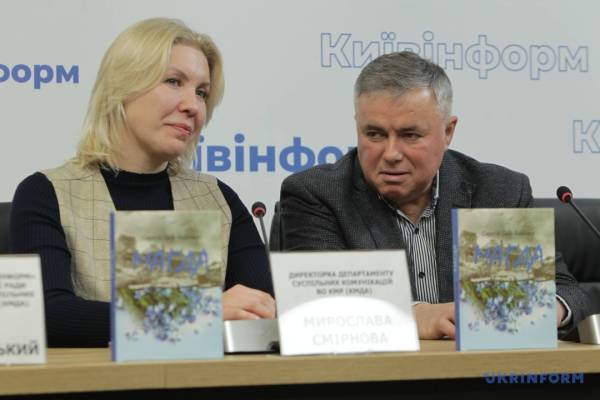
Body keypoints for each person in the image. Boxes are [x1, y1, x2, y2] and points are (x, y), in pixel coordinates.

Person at [279, 51, 589, 340]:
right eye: (374, 134)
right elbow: (318, 306)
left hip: (479, 373)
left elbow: (565, 291)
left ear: (448, 131)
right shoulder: (320, 195)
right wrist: (413, 315)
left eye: (410, 135)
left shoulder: (496, 192)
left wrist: (544, 310)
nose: (391, 153)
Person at [10, 18, 275, 347]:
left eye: (202, 93)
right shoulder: (47, 193)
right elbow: (49, 316)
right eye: (174, 81)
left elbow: (261, 309)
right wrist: (199, 312)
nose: (193, 106)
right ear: (122, 86)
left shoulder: (217, 197)